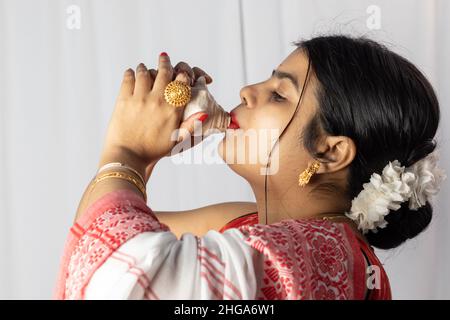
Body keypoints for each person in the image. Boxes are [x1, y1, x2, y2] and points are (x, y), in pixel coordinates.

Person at [54, 35, 445, 300]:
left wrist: (127, 149)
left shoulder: (325, 254)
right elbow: (91, 241)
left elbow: (119, 278)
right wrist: (147, 153)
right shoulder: (247, 224)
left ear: (329, 152)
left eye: (278, 94)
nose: (246, 92)